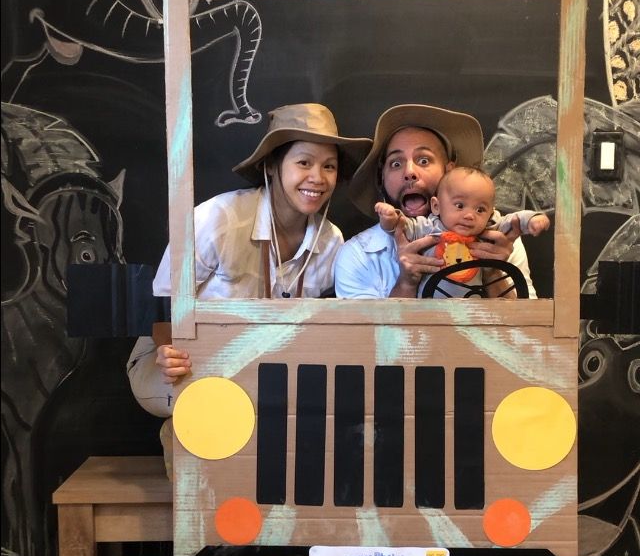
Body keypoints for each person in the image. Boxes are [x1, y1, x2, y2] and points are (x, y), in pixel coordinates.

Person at [127, 103, 371, 425]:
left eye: (329, 166)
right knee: (215, 405)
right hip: (178, 353)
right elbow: (160, 308)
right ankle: (180, 439)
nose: (318, 178)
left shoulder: (331, 242)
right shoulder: (219, 219)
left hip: (265, 364)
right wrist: (170, 352)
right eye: (304, 162)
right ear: (272, 165)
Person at [334, 104, 537, 299]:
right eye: (396, 163)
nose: (410, 172)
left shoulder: (499, 238)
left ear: (449, 170)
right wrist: (406, 283)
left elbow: (529, 328)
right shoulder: (359, 254)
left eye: (424, 160)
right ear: (382, 179)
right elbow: (364, 334)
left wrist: (494, 274)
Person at [375, 165, 550, 297]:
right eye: (459, 206)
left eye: (480, 210)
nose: (469, 215)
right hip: (430, 315)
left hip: (476, 315)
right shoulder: (429, 227)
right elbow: (401, 226)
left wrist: (533, 219)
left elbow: (514, 220)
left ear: (490, 212)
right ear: (436, 206)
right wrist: (390, 217)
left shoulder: (489, 231)